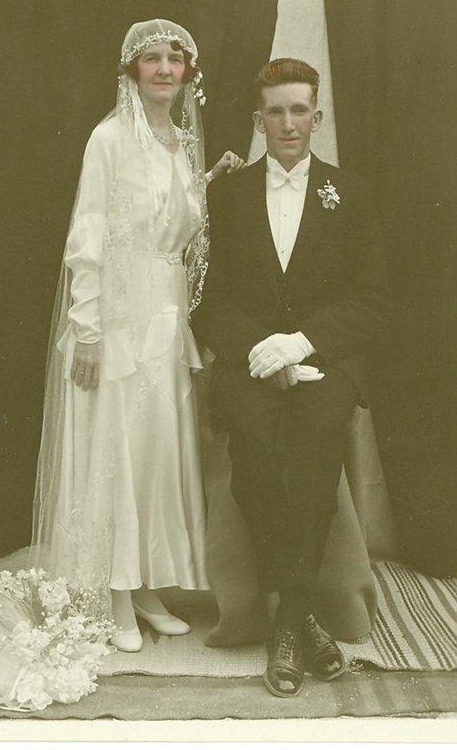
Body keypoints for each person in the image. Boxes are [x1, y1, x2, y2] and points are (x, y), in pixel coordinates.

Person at [30, 19, 245, 653]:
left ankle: (146, 584)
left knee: (155, 457)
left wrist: (210, 184)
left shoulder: (180, 142)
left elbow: (169, 225)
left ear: (187, 73)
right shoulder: (109, 139)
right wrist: (89, 332)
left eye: (174, 59)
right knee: (116, 454)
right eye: (151, 59)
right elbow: (89, 236)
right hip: (119, 322)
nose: (164, 69)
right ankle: (114, 593)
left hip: (164, 319)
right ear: (132, 71)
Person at [191, 58, 389, 696]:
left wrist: (301, 344)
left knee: (315, 439)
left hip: (325, 362)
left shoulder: (351, 191)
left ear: (318, 117)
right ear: (258, 120)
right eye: (275, 111)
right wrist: (262, 351)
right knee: (250, 438)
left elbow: (372, 298)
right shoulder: (225, 194)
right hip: (251, 366)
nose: (288, 123)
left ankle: (288, 619)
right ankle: (300, 620)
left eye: (299, 109)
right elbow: (208, 299)